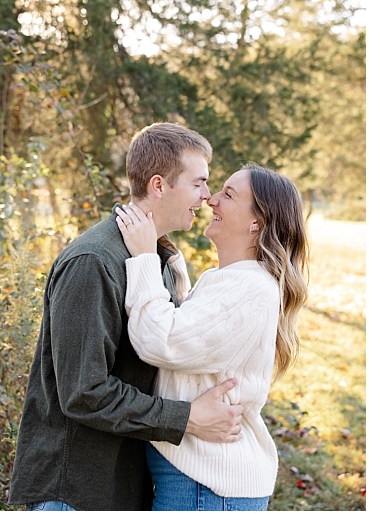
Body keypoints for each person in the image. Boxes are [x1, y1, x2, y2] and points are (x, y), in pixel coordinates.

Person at [8, 122, 245, 511]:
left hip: (121, 485)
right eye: (199, 183)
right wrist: (186, 417)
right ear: (158, 185)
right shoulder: (94, 261)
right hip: (76, 492)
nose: (206, 196)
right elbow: (84, 392)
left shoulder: (150, 258)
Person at [115, 164, 308, 511]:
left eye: (228, 195)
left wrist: (144, 258)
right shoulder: (228, 279)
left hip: (208, 485)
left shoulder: (250, 288)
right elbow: (199, 338)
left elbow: (161, 341)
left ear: (257, 223)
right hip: (197, 477)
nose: (211, 200)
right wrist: (170, 265)